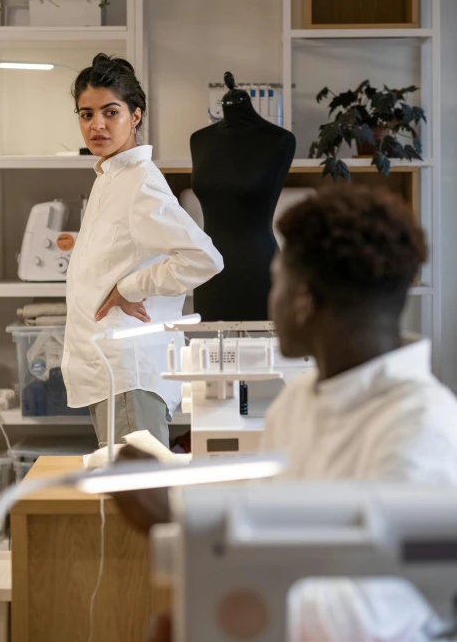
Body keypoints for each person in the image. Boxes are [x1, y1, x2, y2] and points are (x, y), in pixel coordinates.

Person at [117, 185, 457, 641]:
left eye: (276, 281)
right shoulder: (299, 403)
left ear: (303, 301)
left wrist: (183, 528)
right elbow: (270, 530)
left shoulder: (424, 428)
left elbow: (364, 618)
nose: (269, 298)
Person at [62, 54, 223, 448]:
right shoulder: (110, 175)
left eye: (110, 112)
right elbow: (128, 245)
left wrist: (131, 287)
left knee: (139, 502)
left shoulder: (140, 182)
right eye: (86, 114)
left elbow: (204, 258)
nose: (96, 124)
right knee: (126, 500)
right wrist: (83, 244)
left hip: (129, 373)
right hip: (109, 369)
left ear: (135, 115)